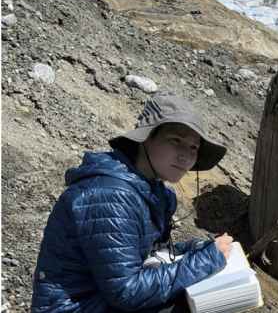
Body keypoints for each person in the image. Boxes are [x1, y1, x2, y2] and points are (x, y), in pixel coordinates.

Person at [32, 96, 234, 313]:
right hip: (72, 308)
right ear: (145, 139)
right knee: (198, 303)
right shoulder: (111, 195)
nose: (186, 156)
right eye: (176, 140)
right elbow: (123, 291)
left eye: (194, 147)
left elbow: (140, 256)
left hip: (96, 300)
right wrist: (205, 260)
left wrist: (194, 249)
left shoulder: (151, 190)